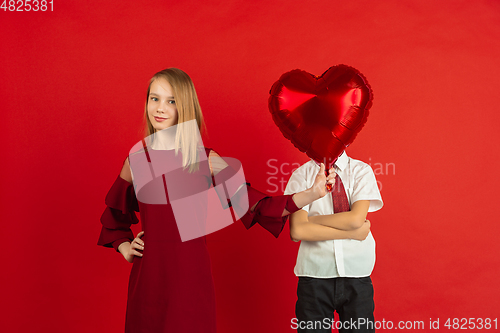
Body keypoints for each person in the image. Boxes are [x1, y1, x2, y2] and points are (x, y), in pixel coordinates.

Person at [97, 68, 360, 333]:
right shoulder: (136, 162)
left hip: (190, 279)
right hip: (148, 281)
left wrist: (312, 194)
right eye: (154, 98)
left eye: (171, 100)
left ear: (184, 106)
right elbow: (113, 220)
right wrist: (125, 247)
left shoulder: (207, 161)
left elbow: (256, 205)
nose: (160, 108)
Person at [284, 152, 383, 333]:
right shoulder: (301, 175)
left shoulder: (361, 171)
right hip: (314, 275)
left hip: (357, 274)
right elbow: (298, 231)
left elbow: (355, 220)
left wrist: (310, 221)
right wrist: (353, 232)